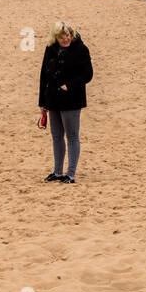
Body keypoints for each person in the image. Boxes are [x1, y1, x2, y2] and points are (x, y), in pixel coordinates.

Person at [37, 21, 93, 184]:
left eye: (67, 35)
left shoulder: (81, 49)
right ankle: (57, 172)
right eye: (62, 37)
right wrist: (42, 101)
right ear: (56, 37)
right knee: (56, 136)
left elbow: (88, 74)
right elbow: (43, 75)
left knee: (72, 136)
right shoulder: (50, 49)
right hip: (53, 98)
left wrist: (69, 85)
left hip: (72, 100)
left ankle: (70, 174)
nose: (66, 39)